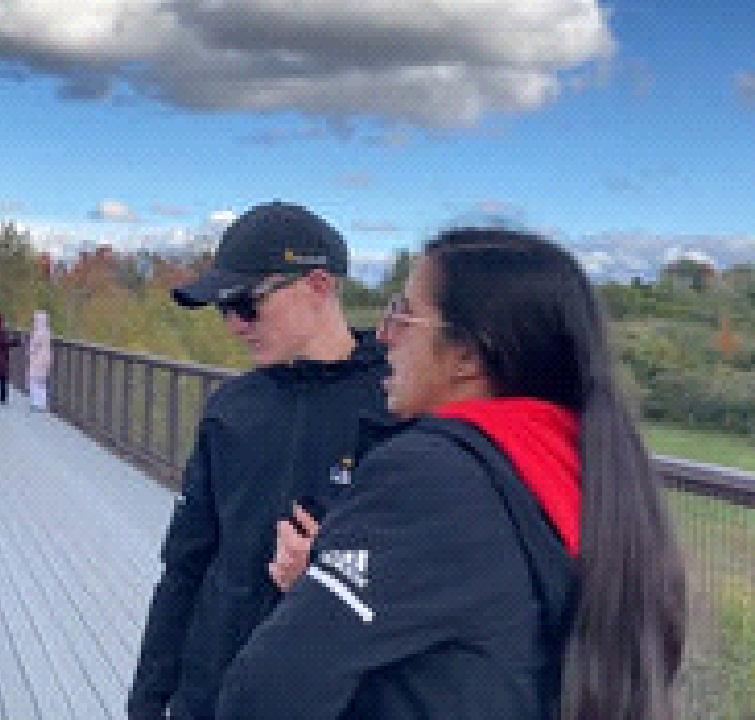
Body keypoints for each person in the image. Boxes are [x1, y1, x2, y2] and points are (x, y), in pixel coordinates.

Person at [218, 228, 686, 719]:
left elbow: (269, 688)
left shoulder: (432, 474)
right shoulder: (576, 470)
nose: (383, 335)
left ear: (466, 355)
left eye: (403, 313)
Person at [128, 201, 390, 720]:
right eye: (224, 309)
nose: (233, 325)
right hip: (213, 694)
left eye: (247, 304)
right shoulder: (231, 408)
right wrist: (149, 699)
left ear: (319, 284)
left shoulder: (394, 407)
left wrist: (330, 572)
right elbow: (184, 564)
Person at [27, 310, 52, 412]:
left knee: (34, 380)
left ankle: (36, 403)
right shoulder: (47, 331)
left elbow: (34, 346)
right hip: (46, 358)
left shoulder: (38, 332)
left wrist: (29, 352)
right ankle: (42, 403)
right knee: (42, 381)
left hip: (37, 358)